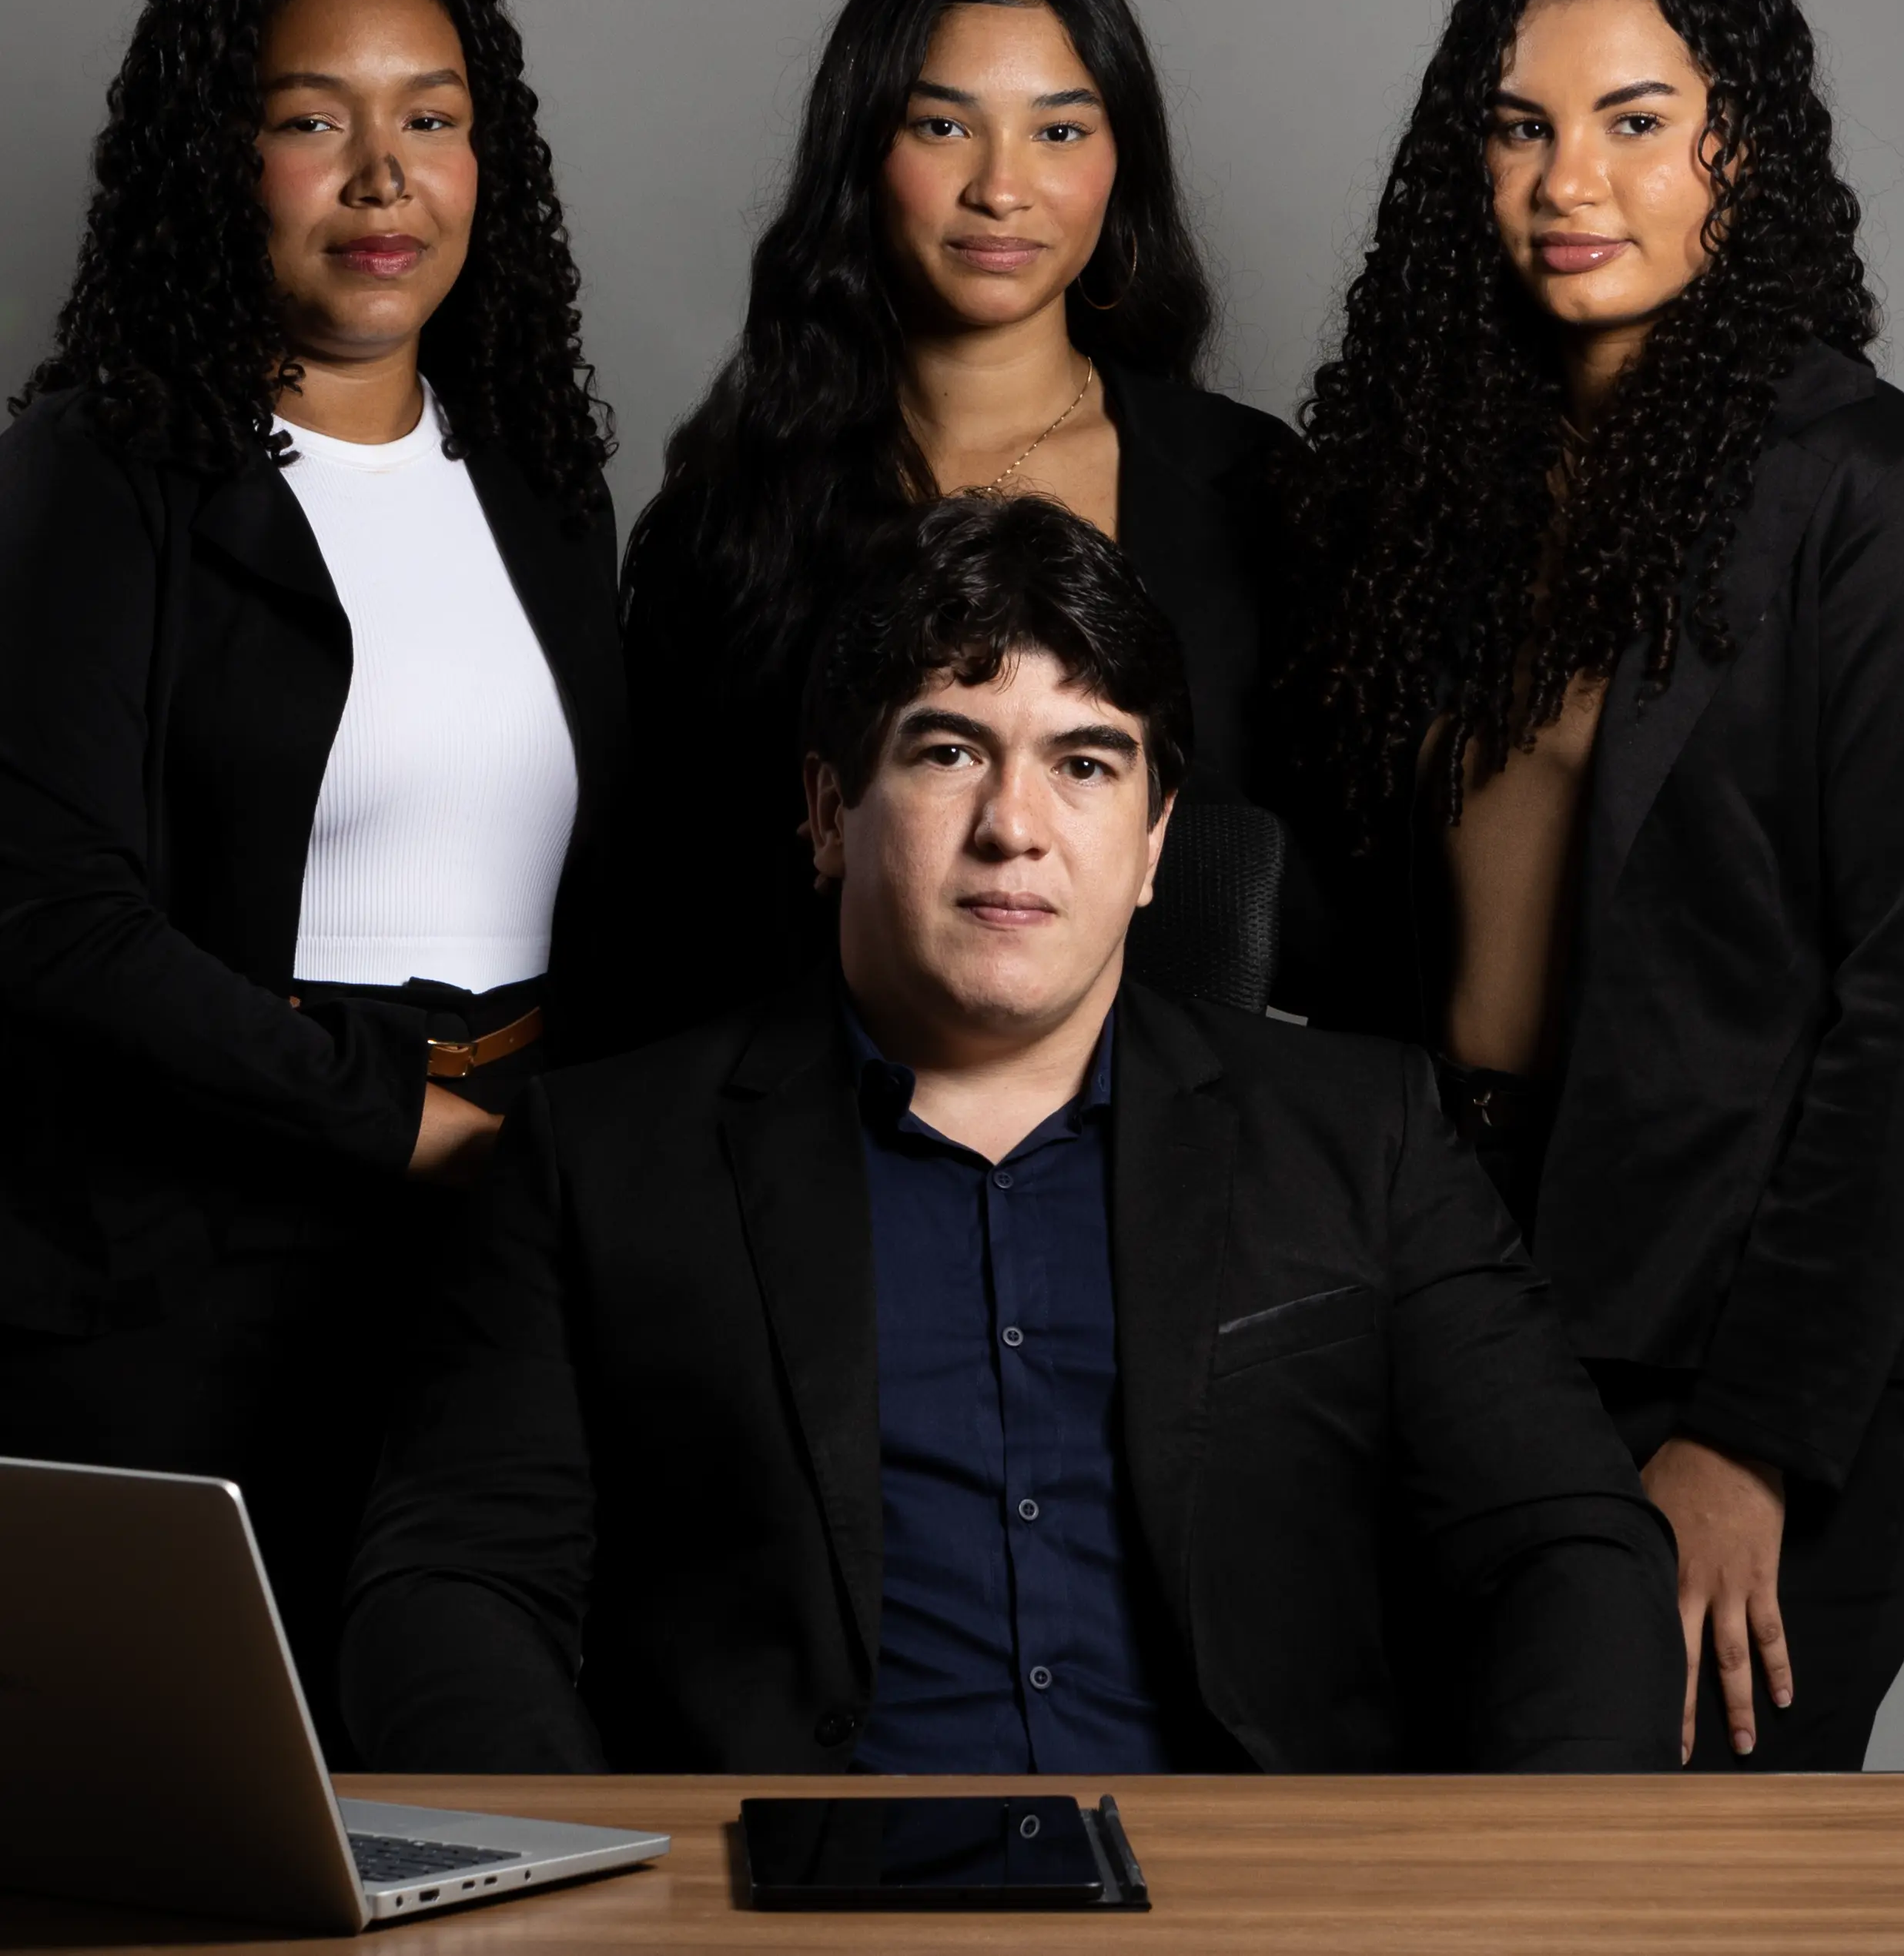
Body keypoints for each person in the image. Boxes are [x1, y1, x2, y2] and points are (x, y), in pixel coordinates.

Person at [340, 492, 1681, 1776]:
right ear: (828, 813)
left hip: (1254, 1885)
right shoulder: (601, 1157)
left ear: (1154, 841)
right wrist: (594, 1891)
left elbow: (1568, 1545)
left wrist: (1529, 1884)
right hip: (783, 1889)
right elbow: (449, 1586)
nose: (1014, 829)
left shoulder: (1361, 1135)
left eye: (1083, 764)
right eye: (948, 752)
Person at [1276, 0, 1904, 1770]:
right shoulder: (1440, 483)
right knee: (1423, 1843)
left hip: (1746, 1330)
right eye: (1520, 126)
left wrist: (1751, 1441)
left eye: (1637, 121)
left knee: (1670, 1863)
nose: (1571, 180)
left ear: (1744, 146)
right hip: (1457, 1281)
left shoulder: (1865, 492)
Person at [0, 0, 627, 1757]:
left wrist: (554, 1165)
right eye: (310, 119)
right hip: (195, 1263)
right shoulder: (93, 476)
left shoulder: (539, 487)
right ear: (221, 157)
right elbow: (48, 915)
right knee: (210, 1810)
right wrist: (398, 1120)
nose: (382, 178)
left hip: (506, 1231)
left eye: (431, 118)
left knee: (486, 1773)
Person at [623, 0, 1290, 1039]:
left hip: (1183, 1123)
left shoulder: (1250, 488)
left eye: (1059, 132)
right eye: (942, 125)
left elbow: (1319, 900)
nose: (1002, 188)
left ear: (1121, 162)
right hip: (804, 1116)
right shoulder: (735, 513)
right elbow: (664, 917)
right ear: (864, 155)